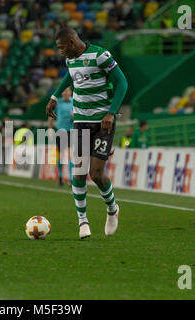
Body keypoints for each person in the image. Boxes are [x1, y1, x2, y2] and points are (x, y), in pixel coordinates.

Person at [45, 27, 128, 239]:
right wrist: (55, 96)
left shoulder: (101, 55)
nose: (61, 52)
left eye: (62, 48)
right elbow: (70, 77)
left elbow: (122, 83)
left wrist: (111, 113)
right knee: (79, 173)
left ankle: (112, 209)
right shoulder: (70, 59)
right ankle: (83, 221)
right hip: (80, 122)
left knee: (97, 174)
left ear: (72, 43)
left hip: (103, 123)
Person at [48, 87, 74, 187]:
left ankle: (71, 178)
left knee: (70, 154)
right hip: (60, 131)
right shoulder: (58, 102)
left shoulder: (74, 102)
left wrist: (74, 117)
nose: (65, 92)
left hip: (71, 131)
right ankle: (60, 176)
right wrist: (50, 128)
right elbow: (51, 115)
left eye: (67, 90)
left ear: (70, 92)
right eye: (64, 90)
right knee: (61, 155)